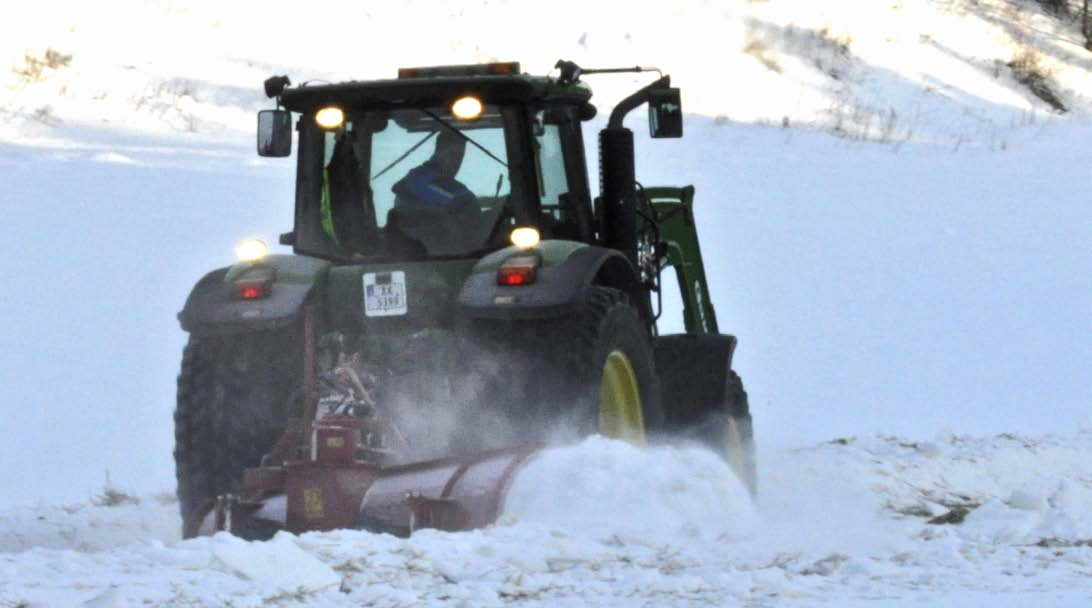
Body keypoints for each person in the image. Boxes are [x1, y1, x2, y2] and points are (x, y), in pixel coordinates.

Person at [388, 129, 481, 254]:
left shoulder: (424, 180)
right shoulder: (421, 180)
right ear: (438, 152)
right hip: (428, 254)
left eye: (460, 156)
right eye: (452, 155)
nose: (456, 162)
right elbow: (466, 203)